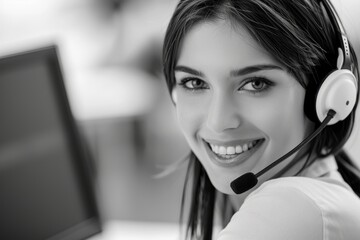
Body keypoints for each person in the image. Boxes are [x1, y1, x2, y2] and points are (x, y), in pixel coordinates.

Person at [162, 0, 360, 239]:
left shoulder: (292, 210)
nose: (218, 122)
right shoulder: (319, 199)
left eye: (255, 84)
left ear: (326, 95)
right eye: (195, 83)